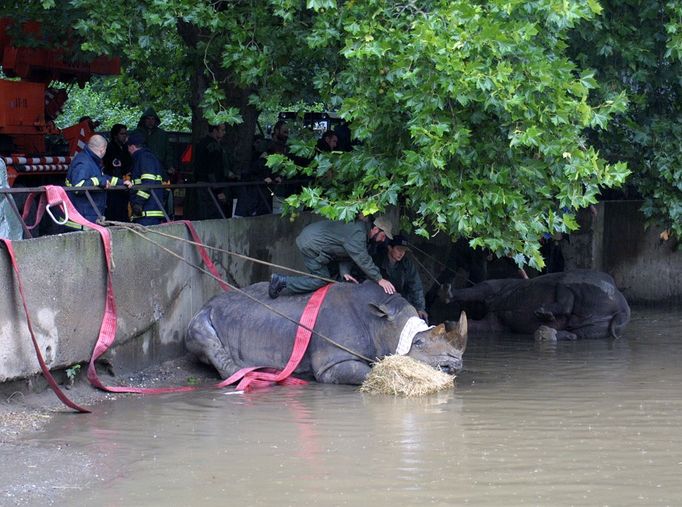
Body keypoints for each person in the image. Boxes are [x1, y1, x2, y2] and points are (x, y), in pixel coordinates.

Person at [268, 215, 397, 298]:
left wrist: (345, 272)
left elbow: (346, 253)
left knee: (331, 277)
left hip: (315, 243)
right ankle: (282, 282)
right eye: (383, 235)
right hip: (311, 244)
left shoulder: (360, 232)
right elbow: (362, 258)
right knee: (322, 279)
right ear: (375, 230)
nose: (383, 239)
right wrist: (380, 279)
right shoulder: (358, 232)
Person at [63, 134, 130, 231]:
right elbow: (78, 187)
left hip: (87, 217)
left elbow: (102, 178)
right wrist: (99, 181)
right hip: (82, 220)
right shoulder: (84, 162)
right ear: (103, 149)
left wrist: (121, 182)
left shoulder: (91, 160)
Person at [372, 235, 428, 321]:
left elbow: (416, 286)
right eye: (399, 249)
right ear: (390, 248)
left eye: (404, 251)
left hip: (399, 300)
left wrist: (420, 308)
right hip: (379, 300)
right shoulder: (378, 259)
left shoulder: (407, 264)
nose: (401, 253)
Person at [190, 123, 228, 220]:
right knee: (212, 214)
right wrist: (218, 190)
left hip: (202, 183)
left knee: (204, 213)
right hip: (210, 186)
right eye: (222, 130)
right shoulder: (214, 147)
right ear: (215, 131)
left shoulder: (201, 143)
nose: (224, 133)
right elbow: (213, 169)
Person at [127, 132, 165, 226]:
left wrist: (138, 203)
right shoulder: (146, 157)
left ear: (132, 147)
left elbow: (148, 182)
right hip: (147, 212)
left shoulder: (144, 157)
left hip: (147, 213)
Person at [103, 124, 132, 222]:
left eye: (125, 134)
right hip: (112, 185)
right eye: (122, 134)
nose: (124, 136)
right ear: (115, 135)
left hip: (124, 184)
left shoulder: (125, 148)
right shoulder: (109, 148)